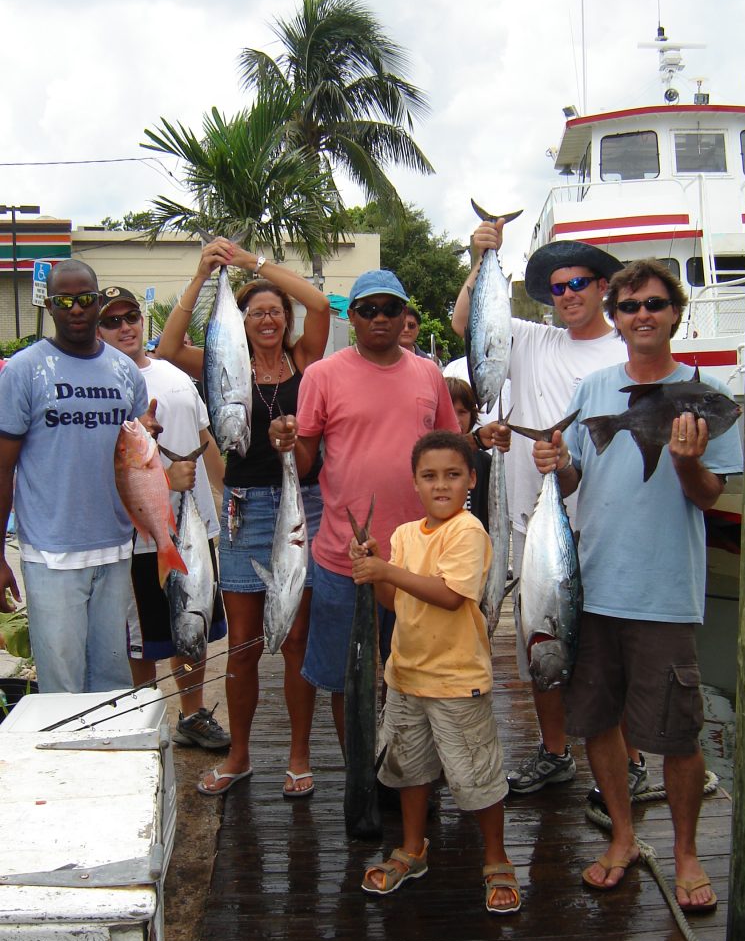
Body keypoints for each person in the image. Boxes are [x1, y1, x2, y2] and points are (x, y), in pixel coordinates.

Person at [532, 259, 742, 907]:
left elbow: (709, 498)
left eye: (654, 303)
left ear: (675, 312)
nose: (642, 315)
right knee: (596, 721)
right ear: (616, 318)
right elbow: (575, 484)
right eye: (630, 306)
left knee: (679, 734)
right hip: (589, 586)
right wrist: (559, 463)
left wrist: (685, 464)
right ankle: (622, 837)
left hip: (664, 593)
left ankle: (683, 854)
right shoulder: (593, 390)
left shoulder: (705, 394)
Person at [269, 269, 510, 750]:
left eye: (391, 309)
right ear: (352, 316)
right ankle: (361, 770)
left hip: (421, 560)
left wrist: (483, 439)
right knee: (348, 678)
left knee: (418, 674)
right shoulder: (321, 375)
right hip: (347, 559)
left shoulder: (427, 374)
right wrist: (285, 443)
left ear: (404, 316)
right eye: (368, 309)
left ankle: (410, 767)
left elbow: (449, 447)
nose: (380, 318)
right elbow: (306, 460)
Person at [452, 228, 640, 797]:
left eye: (579, 284)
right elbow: (467, 325)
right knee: (540, 637)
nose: (568, 295)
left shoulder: (623, 351)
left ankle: (631, 760)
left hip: (604, 522)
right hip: (532, 524)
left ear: (603, 288)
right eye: (558, 288)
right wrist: (479, 256)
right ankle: (555, 750)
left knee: (611, 648)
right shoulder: (530, 340)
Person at [155, 237, 329, 797]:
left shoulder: (305, 360)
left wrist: (254, 265)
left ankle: (299, 754)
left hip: (301, 501)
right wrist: (205, 275)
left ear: (286, 318)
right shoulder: (221, 358)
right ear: (242, 322)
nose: (267, 320)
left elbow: (322, 306)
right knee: (246, 642)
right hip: (242, 507)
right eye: (256, 313)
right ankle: (241, 753)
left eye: (276, 311)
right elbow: (167, 344)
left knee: (297, 635)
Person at [350, 431, 520, 914]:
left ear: (471, 479)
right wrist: (372, 567)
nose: (441, 485)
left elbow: (449, 594)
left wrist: (385, 571)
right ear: (415, 483)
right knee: (407, 769)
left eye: (452, 475)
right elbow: (394, 600)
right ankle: (413, 848)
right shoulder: (405, 534)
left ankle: (495, 856)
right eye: (429, 476)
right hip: (405, 677)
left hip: (456, 681)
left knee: (476, 775)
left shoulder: (468, 530)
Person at [0, 260, 151, 693]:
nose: (76, 309)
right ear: (50, 306)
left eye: (85, 299)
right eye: (65, 301)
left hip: (115, 550)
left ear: (98, 302)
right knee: (60, 687)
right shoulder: (25, 370)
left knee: (111, 684)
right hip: (51, 554)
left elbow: (141, 455)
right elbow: (3, 468)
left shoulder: (125, 371)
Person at [97, 286, 230, 750]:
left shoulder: (175, 375)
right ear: (97, 329)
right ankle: (146, 716)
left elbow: (204, 438)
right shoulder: (100, 385)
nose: (125, 327)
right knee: (145, 637)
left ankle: (192, 715)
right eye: (111, 321)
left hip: (194, 529)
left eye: (130, 316)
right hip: (139, 535)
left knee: (192, 626)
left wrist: (229, 492)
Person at [444, 376, 491, 530]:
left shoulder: (484, 461)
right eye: (449, 411)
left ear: (472, 415)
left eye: (462, 412)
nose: (456, 420)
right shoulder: (426, 461)